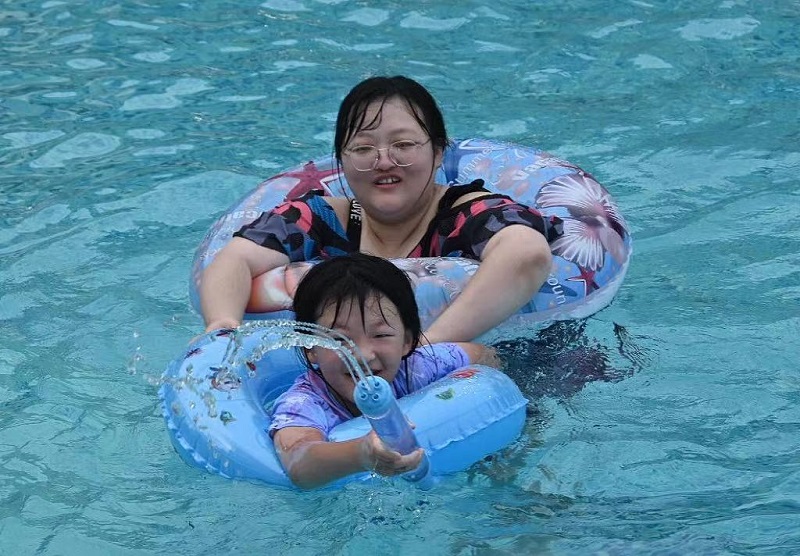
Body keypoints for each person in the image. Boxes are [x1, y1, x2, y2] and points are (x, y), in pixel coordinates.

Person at [200, 75, 561, 342]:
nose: (384, 161)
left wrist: (426, 349)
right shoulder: (324, 220)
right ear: (342, 160)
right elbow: (234, 260)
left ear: (438, 152)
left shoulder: (468, 216)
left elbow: (526, 254)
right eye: (363, 148)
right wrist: (222, 326)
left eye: (403, 145)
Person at [270, 253, 501, 489]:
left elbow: (483, 355)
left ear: (407, 341)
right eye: (339, 339)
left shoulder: (417, 367)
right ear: (310, 347)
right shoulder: (305, 402)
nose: (363, 355)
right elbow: (299, 459)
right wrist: (362, 454)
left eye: (380, 335)